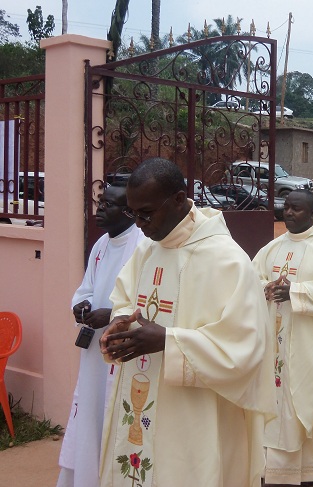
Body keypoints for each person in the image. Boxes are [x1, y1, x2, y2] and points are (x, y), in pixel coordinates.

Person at [99, 158, 275, 487]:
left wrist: (169, 340)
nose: (139, 224)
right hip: (144, 391)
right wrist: (119, 325)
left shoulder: (228, 261)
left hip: (196, 415)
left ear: (179, 199)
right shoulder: (147, 252)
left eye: (146, 213)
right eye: (133, 214)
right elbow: (124, 301)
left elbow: (246, 348)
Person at [252, 190, 313, 485]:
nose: (289, 213)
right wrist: (264, 288)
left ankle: (311, 469)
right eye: (287, 207)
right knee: (274, 402)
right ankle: (272, 469)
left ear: (312, 213)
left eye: (296, 209)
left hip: (312, 347)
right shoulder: (272, 247)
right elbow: (248, 280)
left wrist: (297, 291)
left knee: (308, 403)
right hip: (274, 343)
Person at [57, 182, 144, 487]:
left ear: (130, 212)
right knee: (90, 415)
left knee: (113, 416)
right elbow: (87, 289)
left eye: (108, 205)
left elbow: (144, 302)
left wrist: (111, 315)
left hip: (121, 352)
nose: (100, 210)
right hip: (94, 351)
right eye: (100, 203)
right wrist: (81, 307)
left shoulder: (142, 246)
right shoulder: (101, 245)